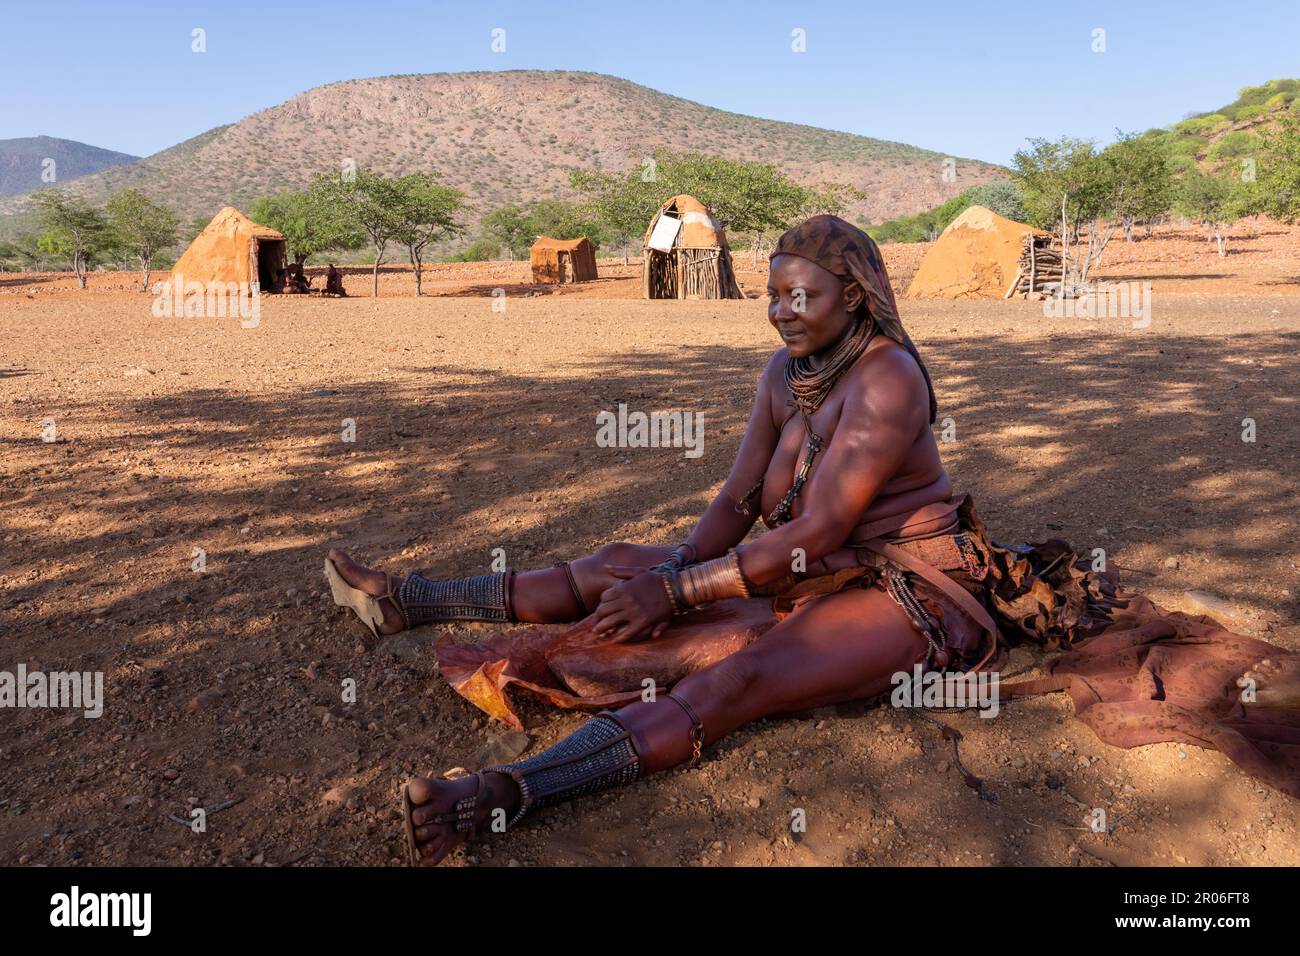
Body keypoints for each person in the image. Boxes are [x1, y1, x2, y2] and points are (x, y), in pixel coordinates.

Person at [324, 213, 1013, 865]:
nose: (780, 312)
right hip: (811, 567)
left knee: (743, 676)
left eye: (799, 297)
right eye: (772, 296)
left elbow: (821, 527)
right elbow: (739, 498)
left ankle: (502, 792)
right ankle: (411, 602)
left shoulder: (887, 377)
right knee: (620, 565)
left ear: (855, 296)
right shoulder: (786, 372)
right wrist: (674, 570)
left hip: (904, 587)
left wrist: (679, 590)